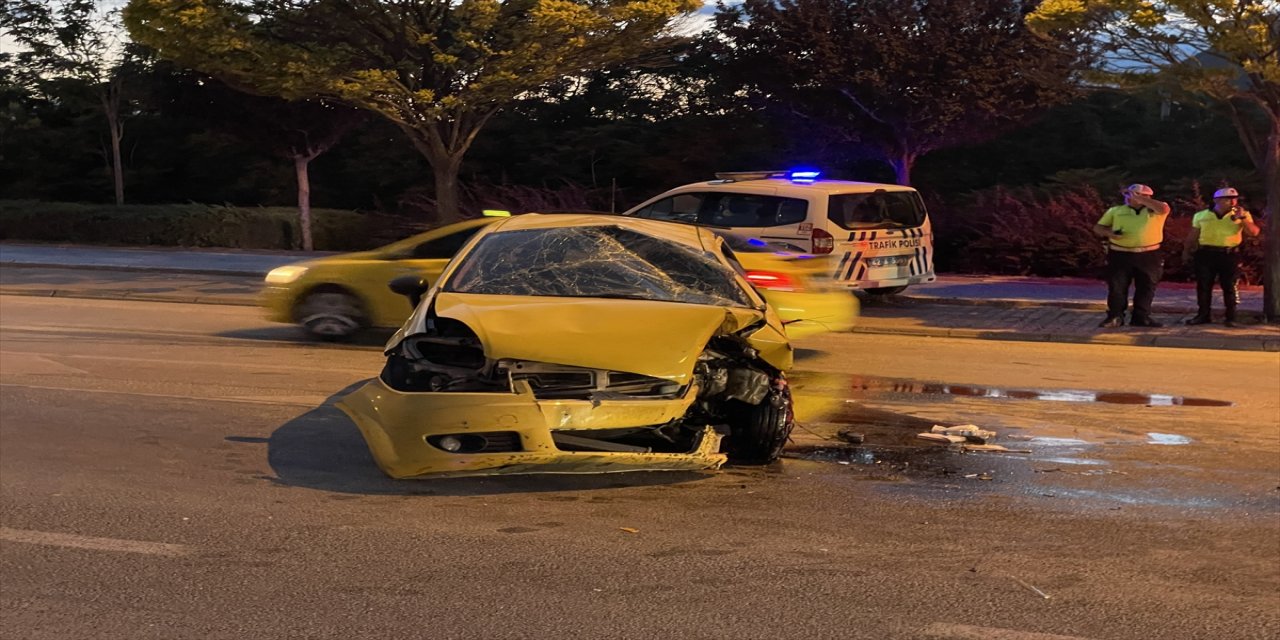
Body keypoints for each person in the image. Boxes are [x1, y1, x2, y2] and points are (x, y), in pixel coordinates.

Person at [1093, 184, 1172, 328]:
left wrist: (1141, 199)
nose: (1128, 198)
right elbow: (1098, 228)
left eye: (1132, 195)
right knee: (1117, 286)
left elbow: (1164, 209)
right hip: (1120, 253)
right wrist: (1109, 234)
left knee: (1147, 286)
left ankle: (1141, 317)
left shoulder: (1155, 210)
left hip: (1149, 255)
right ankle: (1115, 316)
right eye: (1128, 195)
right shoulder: (1116, 211)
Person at [1183, 187, 1260, 327]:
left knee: (1229, 286)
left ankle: (1231, 317)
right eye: (1227, 199)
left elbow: (1254, 232)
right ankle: (1203, 315)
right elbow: (1192, 236)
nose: (1232, 202)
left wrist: (1243, 218)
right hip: (1206, 253)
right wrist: (1186, 251)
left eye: (1234, 198)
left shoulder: (1242, 215)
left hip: (1229, 254)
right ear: (1216, 200)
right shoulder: (1202, 215)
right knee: (1204, 286)